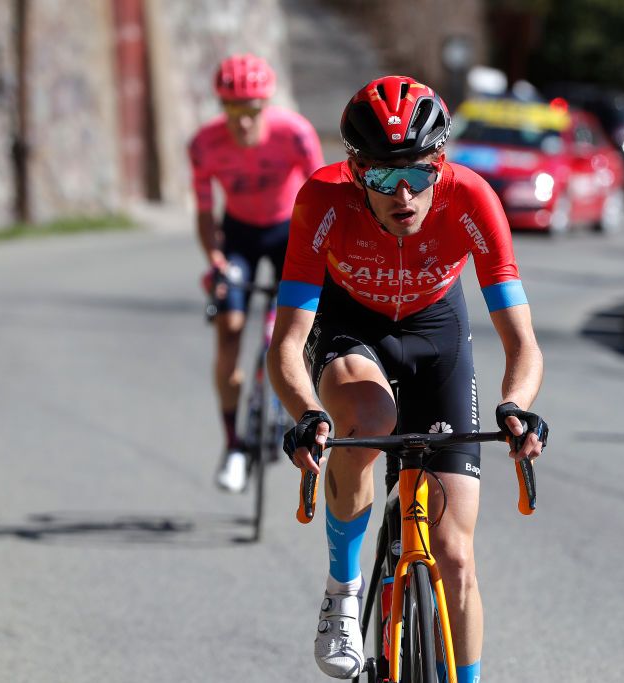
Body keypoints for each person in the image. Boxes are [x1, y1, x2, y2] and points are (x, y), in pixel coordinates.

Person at [267, 75, 548, 681]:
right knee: (368, 422)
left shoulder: (472, 199)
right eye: (381, 177)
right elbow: (287, 342)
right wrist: (307, 415)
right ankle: (344, 588)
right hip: (351, 327)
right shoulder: (322, 200)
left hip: (436, 331)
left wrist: (517, 405)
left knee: (455, 554)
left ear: (440, 166)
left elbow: (522, 343)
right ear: (355, 170)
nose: (403, 195)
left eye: (418, 176)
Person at [188, 53, 324, 491]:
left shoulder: (296, 134)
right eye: (232, 111)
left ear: (265, 106)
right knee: (228, 328)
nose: (243, 123)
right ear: (221, 107)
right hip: (240, 236)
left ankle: (286, 390)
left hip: (289, 232)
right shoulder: (204, 144)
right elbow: (206, 211)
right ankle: (233, 445)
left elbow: (322, 198)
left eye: (251, 112)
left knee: (291, 328)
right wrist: (215, 260)